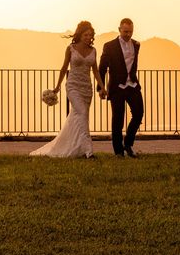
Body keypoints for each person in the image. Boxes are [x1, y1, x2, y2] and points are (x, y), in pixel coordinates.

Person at [30, 21, 107, 158]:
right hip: (73, 86)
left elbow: (95, 71)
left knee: (80, 118)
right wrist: (57, 86)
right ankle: (89, 152)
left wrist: (102, 86)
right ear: (80, 35)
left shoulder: (93, 51)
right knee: (82, 113)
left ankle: (77, 149)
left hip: (87, 89)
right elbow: (64, 67)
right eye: (85, 35)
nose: (88, 37)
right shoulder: (71, 48)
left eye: (90, 35)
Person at [98, 18, 144, 158]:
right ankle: (118, 151)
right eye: (125, 32)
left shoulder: (136, 45)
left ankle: (128, 143)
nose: (128, 34)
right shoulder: (109, 46)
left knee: (138, 113)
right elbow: (102, 67)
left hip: (133, 85)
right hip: (117, 87)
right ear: (119, 29)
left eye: (130, 32)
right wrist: (100, 88)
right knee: (117, 119)